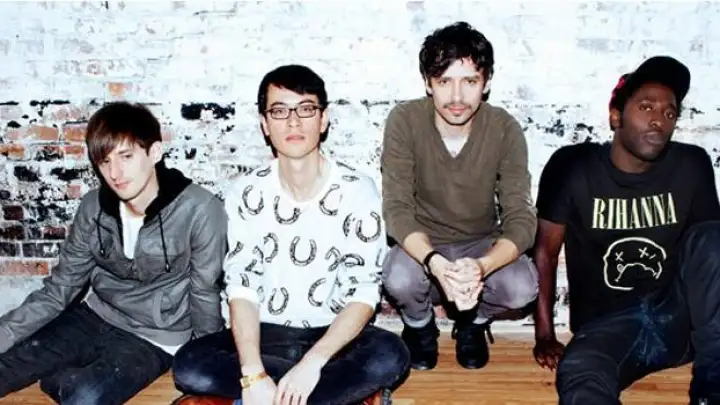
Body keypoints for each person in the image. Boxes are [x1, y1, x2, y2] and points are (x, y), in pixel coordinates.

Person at [171, 64, 410, 405]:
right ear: (265, 124)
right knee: (189, 365)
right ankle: (330, 397)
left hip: (333, 337)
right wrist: (253, 373)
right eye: (280, 111)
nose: (294, 122)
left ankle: (264, 396)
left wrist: (311, 364)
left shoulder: (358, 190)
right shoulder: (246, 192)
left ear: (323, 120)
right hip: (265, 333)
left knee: (390, 356)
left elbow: (363, 290)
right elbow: (242, 286)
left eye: (306, 109)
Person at [0, 102, 228, 405]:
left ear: (155, 152)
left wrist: (205, 366)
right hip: (95, 315)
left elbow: (204, 293)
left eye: (126, 156)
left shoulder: (200, 209)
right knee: (8, 364)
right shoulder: (93, 207)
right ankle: (65, 369)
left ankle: (62, 378)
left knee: (85, 397)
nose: (115, 173)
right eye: (105, 161)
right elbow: (59, 289)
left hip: (155, 337)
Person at [532, 55, 720, 405]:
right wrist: (544, 334)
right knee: (581, 374)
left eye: (669, 113)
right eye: (646, 107)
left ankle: (713, 387)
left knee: (713, 237)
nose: (659, 120)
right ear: (615, 116)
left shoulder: (691, 165)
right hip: (608, 328)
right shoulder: (573, 167)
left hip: (678, 318)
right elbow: (545, 251)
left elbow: (710, 257)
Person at [380, 21, 539, 371]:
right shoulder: (405, 121)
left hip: (480, 243)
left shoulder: (504, 128)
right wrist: (435, 262)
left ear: (487, 82)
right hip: (423, 243)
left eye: (469, 81)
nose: (456, 97)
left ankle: (473, 323)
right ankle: (420, 326)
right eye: (444, 81)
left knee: (522, 287)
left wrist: (481, 268)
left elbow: (521, 218)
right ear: (427, 83)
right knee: (398, 277)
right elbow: (396, 209)